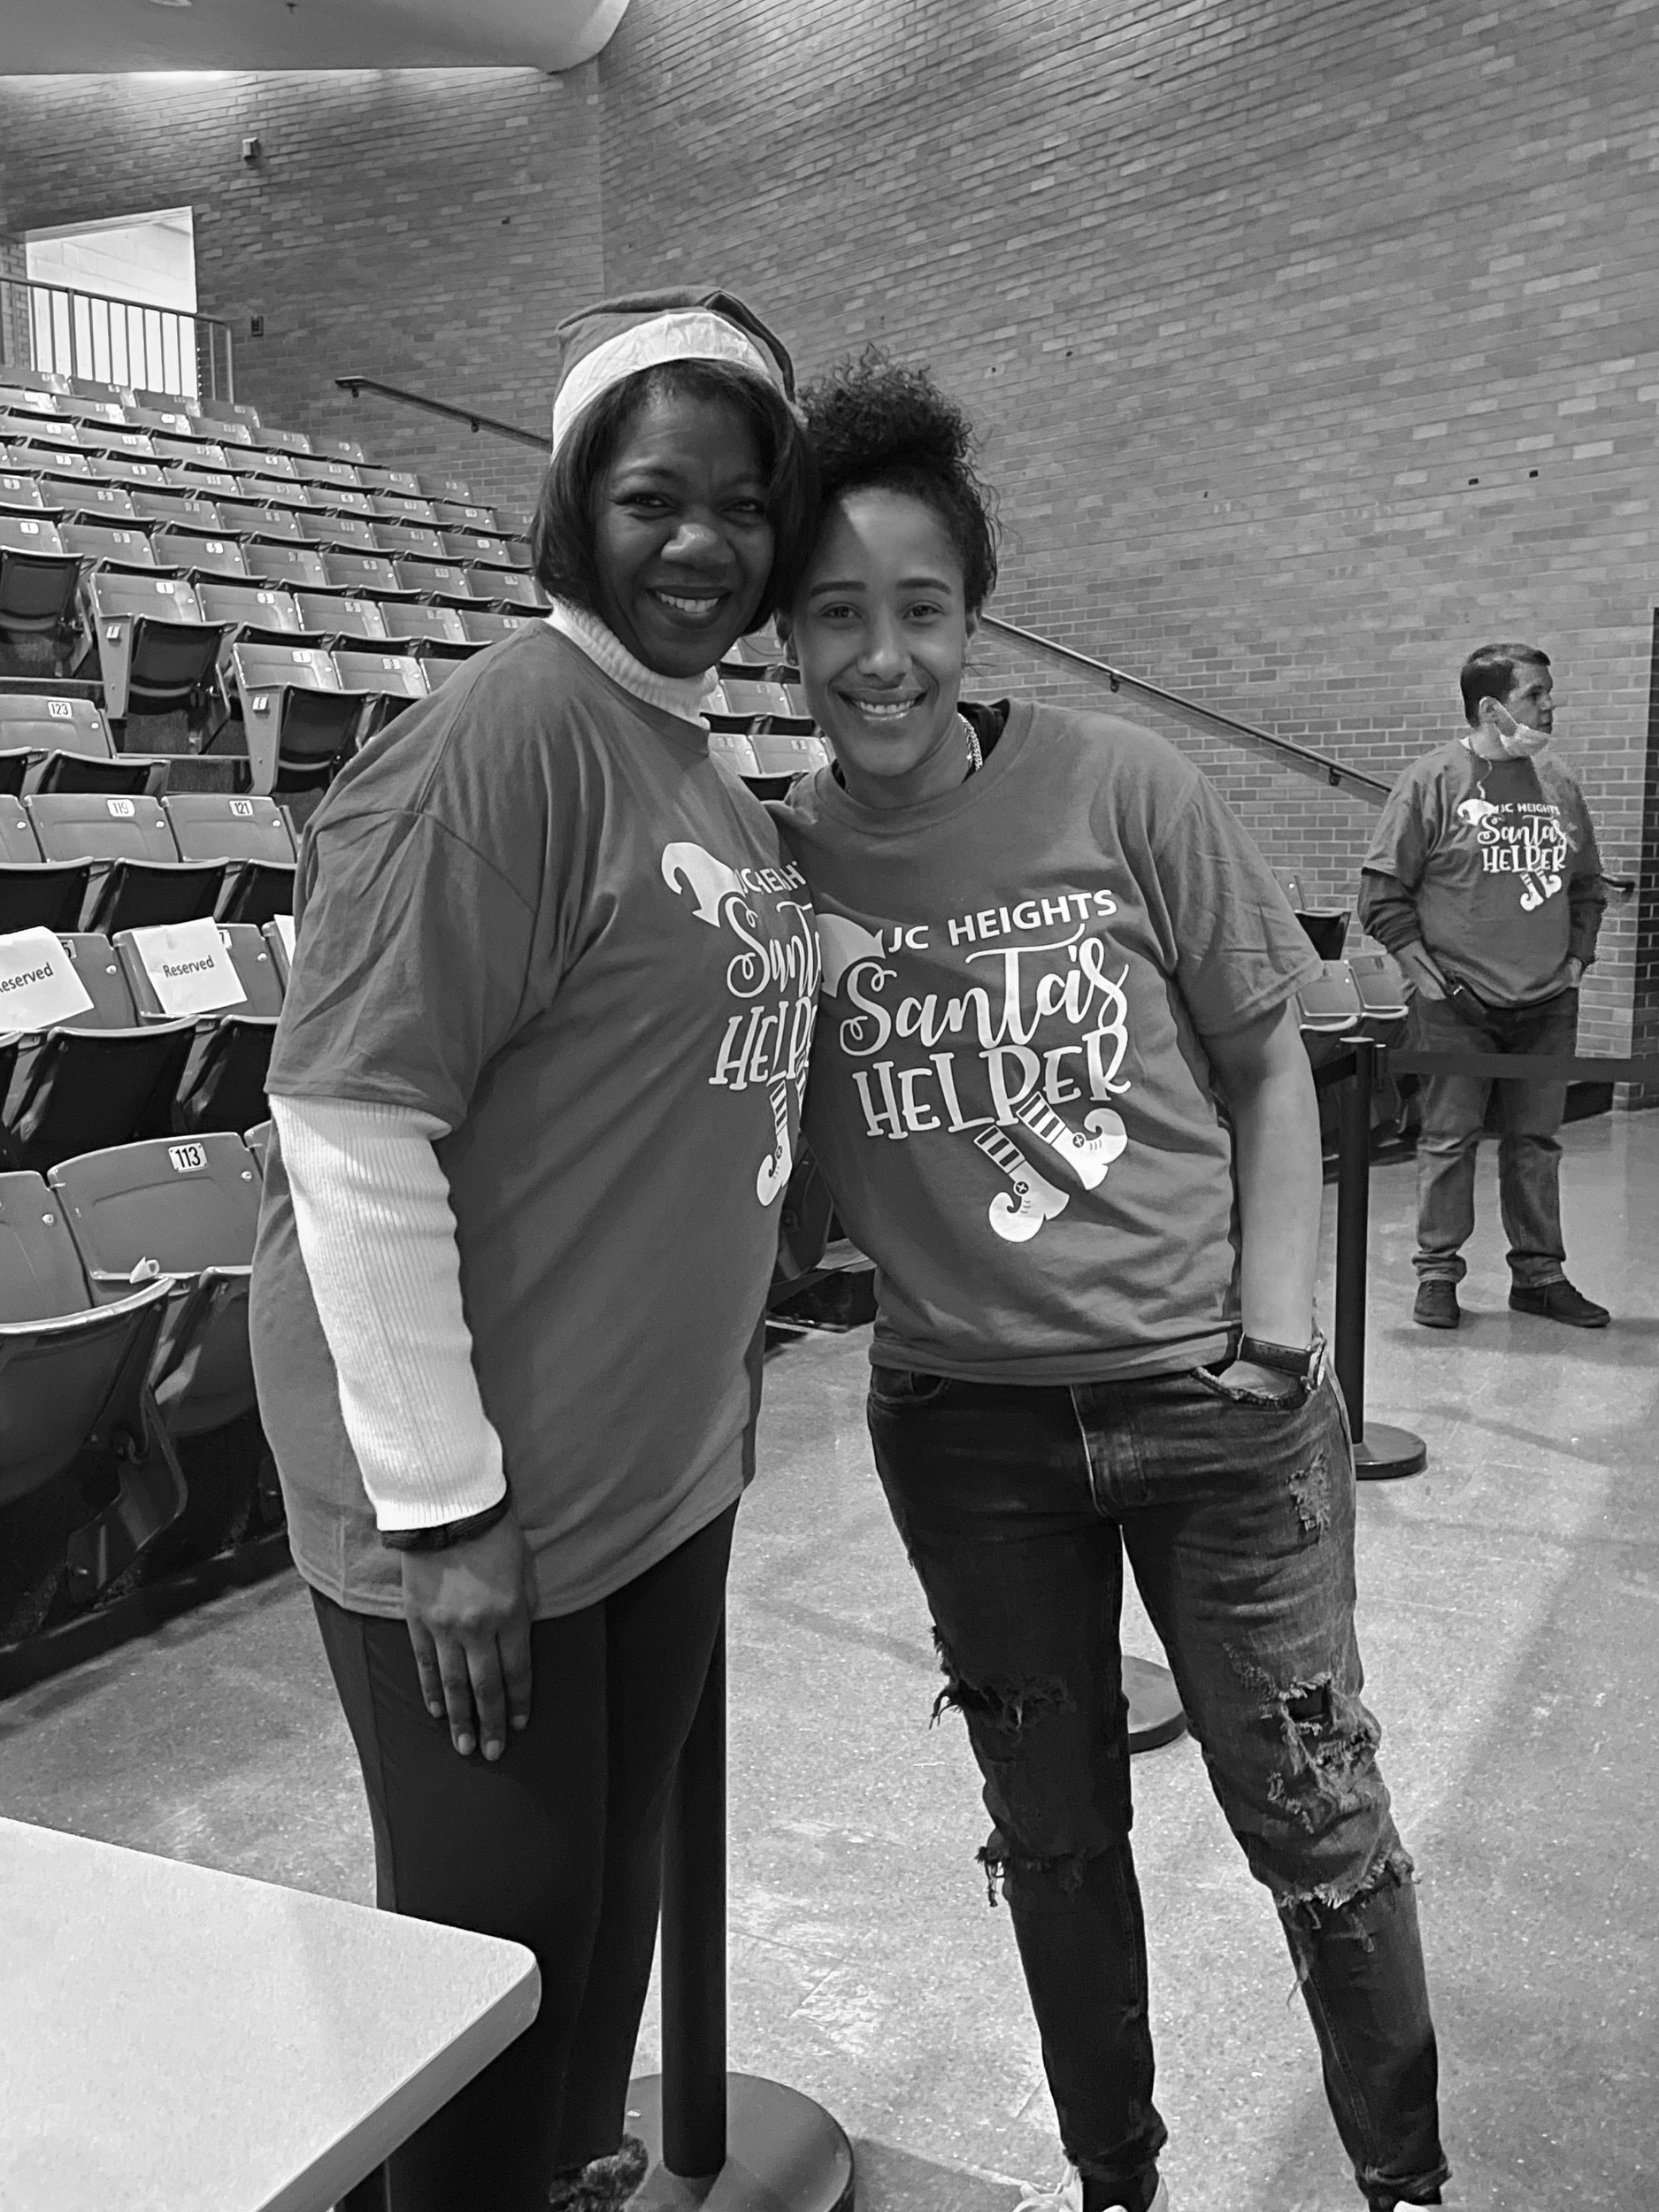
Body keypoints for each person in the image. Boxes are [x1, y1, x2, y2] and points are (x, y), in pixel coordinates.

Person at [772, 353, 1448, 2212]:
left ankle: (1404, 2181)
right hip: (963, 1434)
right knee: (1053, 1838)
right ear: (786, 638)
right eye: (836, 615)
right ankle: (1116, 2180)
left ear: (972, 617)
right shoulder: (776, 858)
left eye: (919, 610)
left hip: (1207, 1413)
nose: (881, 657)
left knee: (1313, 1816)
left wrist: (1277, 1341)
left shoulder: (1120, 781)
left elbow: (1263, 1065)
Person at [248, 288, 819, 2212]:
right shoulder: (507, 738)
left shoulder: (701, 761)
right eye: (654, 496)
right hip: (482, 1502)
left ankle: (579, 2174)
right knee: (490, 1967)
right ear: (577, 505)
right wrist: (441, 1511)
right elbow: (347, 1123)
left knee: (607, 1899)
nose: (702, 543)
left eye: (742, 502)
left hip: (650, 1472)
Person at [1357, 643, 1609, 1330]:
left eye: (1548, 692)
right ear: (1491, 707)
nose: (1549, 705)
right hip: (1454, 1009)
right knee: (1446, 1141)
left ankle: (1538, 1276)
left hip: (1546, 1004)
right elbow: (1381, 896)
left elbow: (1586, 888)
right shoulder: (1431, 780)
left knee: (1536, 1144)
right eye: (1535, 694)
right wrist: (1422, 975)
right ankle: (1437, 1274)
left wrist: (1576, 963)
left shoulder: (1556, 782)